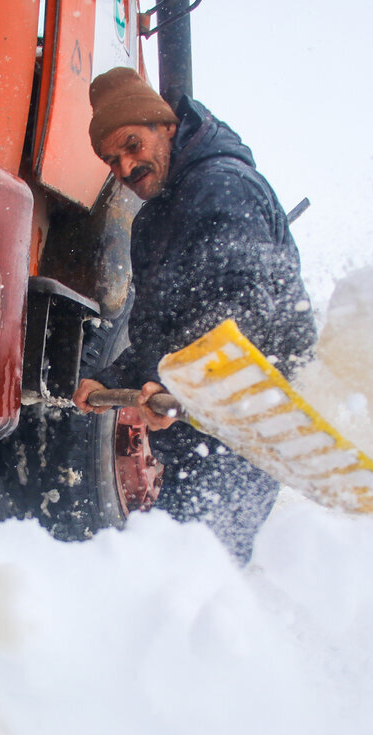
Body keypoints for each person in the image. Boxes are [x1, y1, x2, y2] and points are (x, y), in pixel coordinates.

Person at [71, 67, 317, 564]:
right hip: (197, 422)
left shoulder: (222, 187)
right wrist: (109, 379)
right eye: (112, 160)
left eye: (133, 144)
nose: (125, 167)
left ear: (166, 126)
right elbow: (160, 334)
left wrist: (183, 387)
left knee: (203, 571)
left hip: (246, 415)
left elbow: (245, 308)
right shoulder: (153, 218)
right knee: (181, 568)